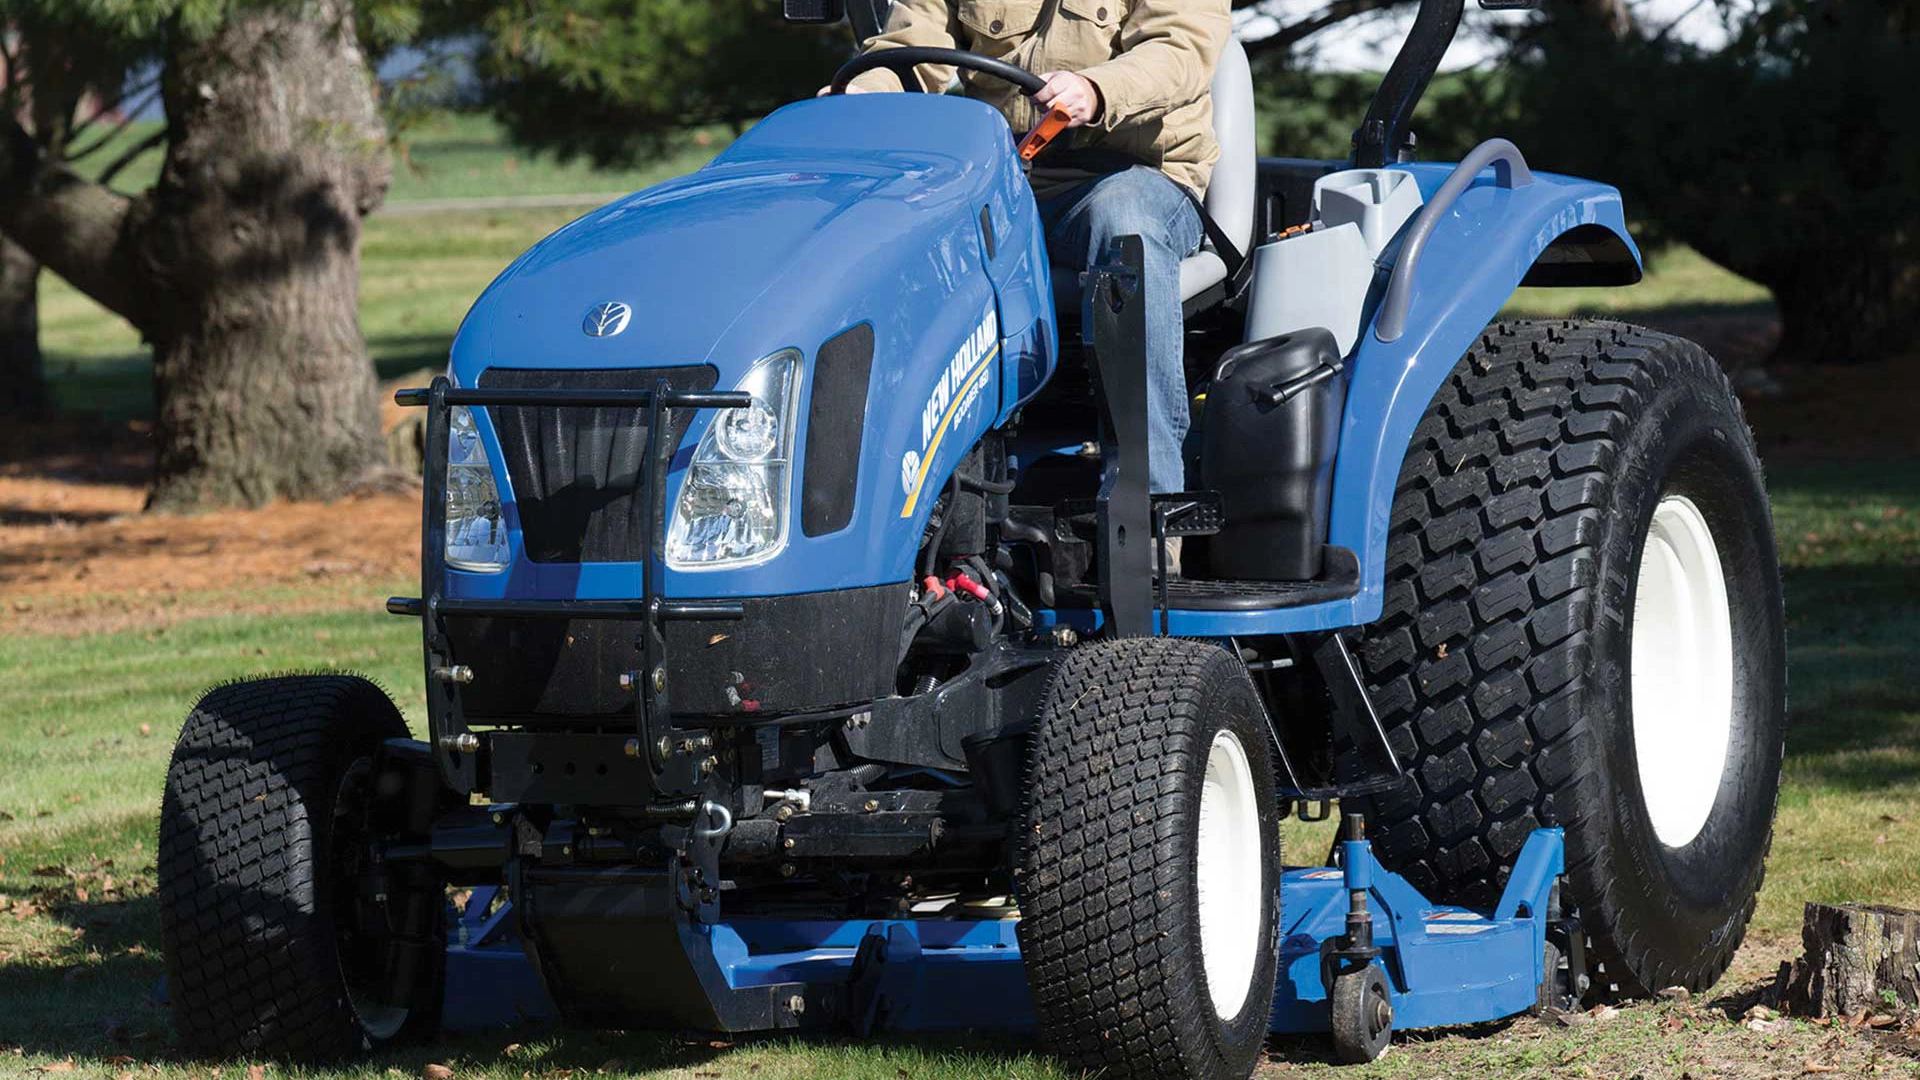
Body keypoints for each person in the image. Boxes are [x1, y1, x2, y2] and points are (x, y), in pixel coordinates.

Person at [835, 0, 1232, 511]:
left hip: (1131, 176)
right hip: (1003, 180)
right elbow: (910, 51)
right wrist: (857, 98)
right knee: (890, 238)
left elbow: (1179, 52)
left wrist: (1097, 88)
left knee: (1122, 226)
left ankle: (1151, 505)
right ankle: (894, 503)